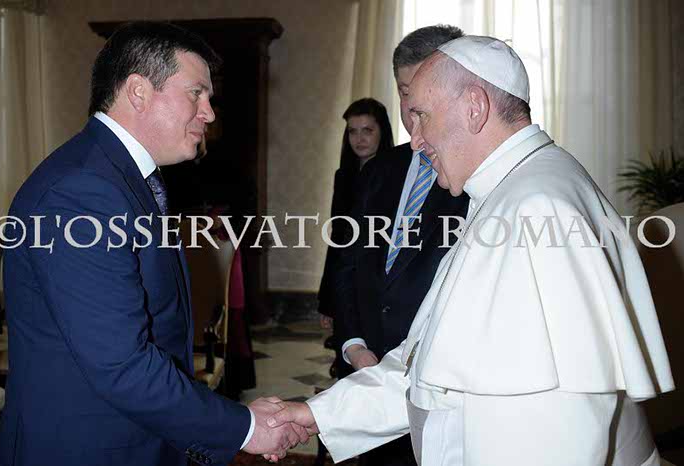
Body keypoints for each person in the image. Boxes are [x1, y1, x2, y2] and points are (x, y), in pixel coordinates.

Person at [267, 36, 674, 466]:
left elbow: (561, 430)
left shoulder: (539, 208)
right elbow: (430, 366)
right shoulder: (509, 190)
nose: (415, 140)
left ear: (475, 107)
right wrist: (317, 414)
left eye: (422, 116)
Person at [0, 22, 305, 466]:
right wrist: (245, 427)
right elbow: (121, 363)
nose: (209, 113)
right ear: (139, 91)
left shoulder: (118, 177)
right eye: (196, 94)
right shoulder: (81, 191)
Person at [330, 26, 469, 466]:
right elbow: (348, 261)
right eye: (404, 92)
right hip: (368, 370)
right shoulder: (380, 169)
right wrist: (352, 342)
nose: (411, 109)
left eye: (422, 93)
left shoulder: (477, 180)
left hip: (440, 386)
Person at [317, 97, 394, 378]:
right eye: (352, 131)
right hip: (346, 280)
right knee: (347, 363)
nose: (359, 139)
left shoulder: (395, 175)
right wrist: (326, 299)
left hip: (379, 283)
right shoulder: (344, 176)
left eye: (367, 130)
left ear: (382, 132)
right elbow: (337, 240)